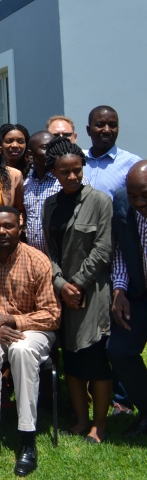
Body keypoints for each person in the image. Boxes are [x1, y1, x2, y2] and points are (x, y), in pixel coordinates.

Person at [0, 206, 60, 476]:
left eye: (8, 226)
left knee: (21, 350)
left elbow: (51, 315)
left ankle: (27, 438)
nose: (1, 231)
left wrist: (9, 320)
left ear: (20, 228)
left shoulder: (38, 260)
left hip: (32, 329)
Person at [42, 137, 114, 442]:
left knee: (94, 356)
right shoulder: (51, 204)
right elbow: (50, 251)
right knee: (70, 354)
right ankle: (80, 419)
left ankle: (100, 423)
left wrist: (78, 284)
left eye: (77, 170)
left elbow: (103, 248)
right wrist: (60, 284)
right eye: (65, 172)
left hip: (92, 290)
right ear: (55, 173)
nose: (72, 177)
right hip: (62, 293)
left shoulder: (99, 201)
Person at [109, 160, 147, 435]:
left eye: (145, 195)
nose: (139, 201)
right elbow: (121, 251)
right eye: (133, 195)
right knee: (119, 350)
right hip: (138, 293)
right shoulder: (123, 205)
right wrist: (119, 289)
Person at [84, 105, 139, 200]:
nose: (107, 130)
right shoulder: (77, 163)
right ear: (88, 130)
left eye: (112, 125)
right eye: (100, 125)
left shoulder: (133, 164)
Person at [23, 131, 59, 252]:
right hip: (35, 259)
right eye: (45, 148)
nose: (51, 152)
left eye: (54, 147)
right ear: (30, 154)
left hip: (59, 259)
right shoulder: (27, 184)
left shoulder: (65, 181)